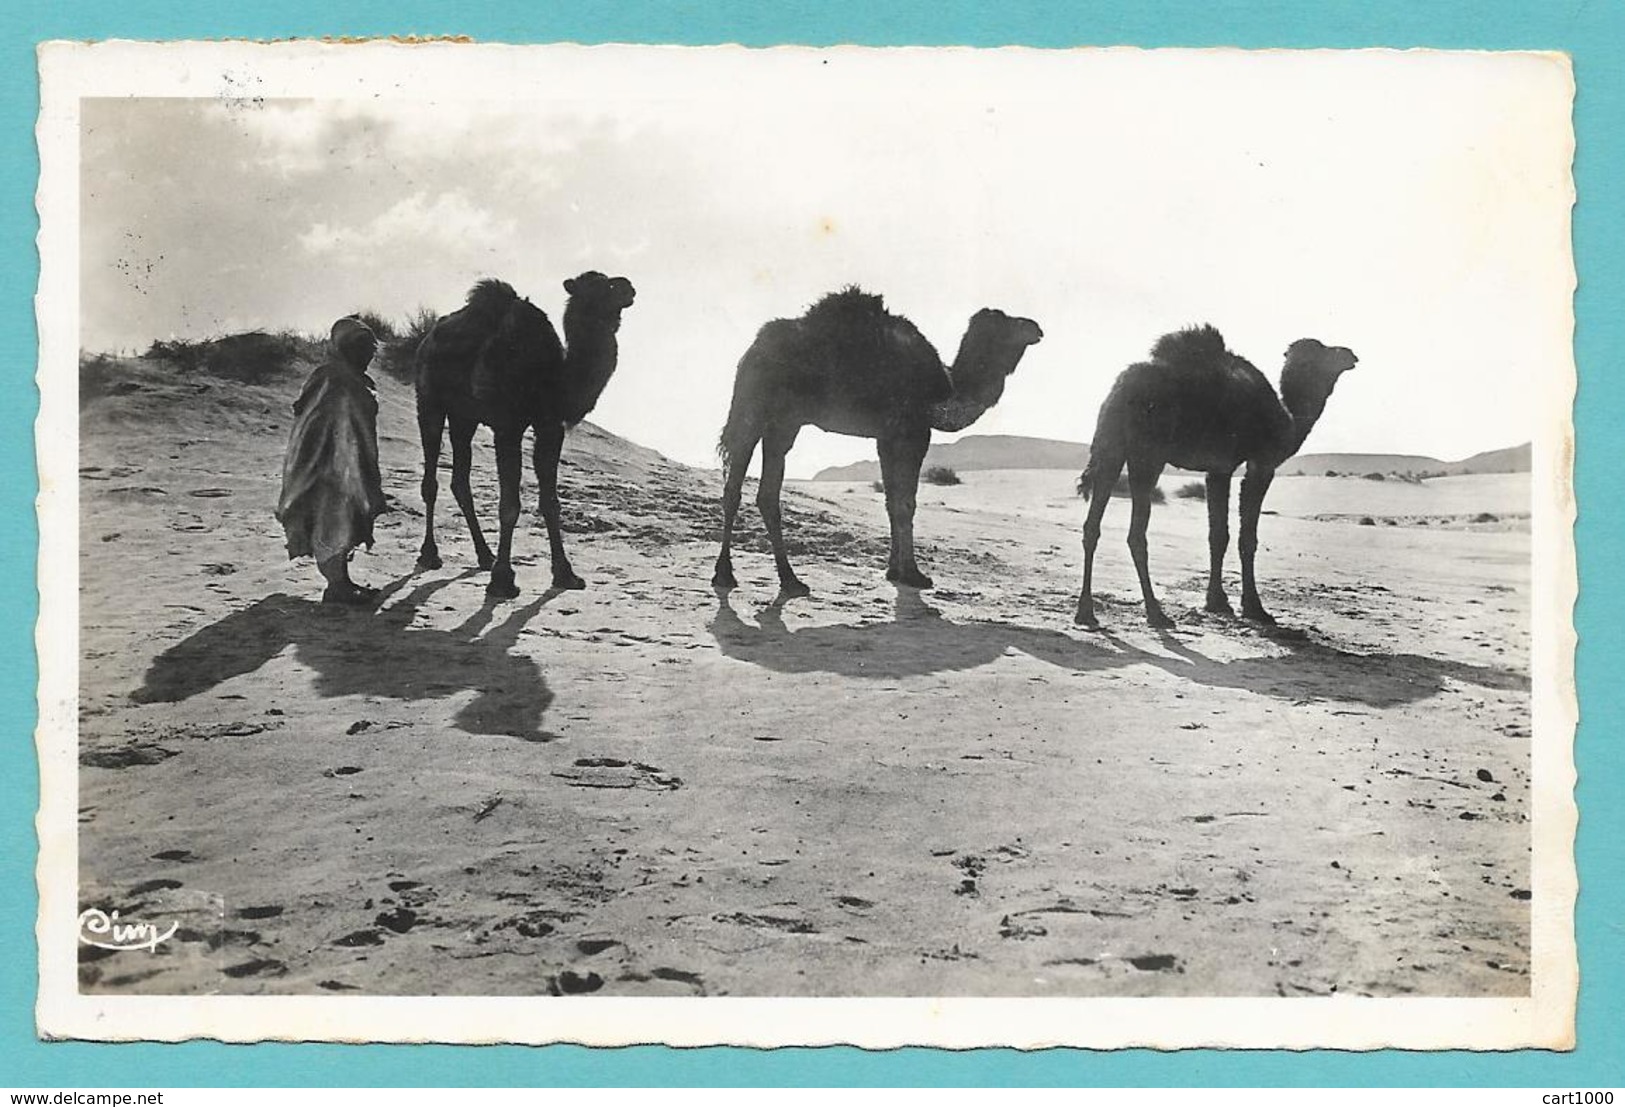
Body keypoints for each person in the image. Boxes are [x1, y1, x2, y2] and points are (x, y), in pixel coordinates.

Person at [276, 315, 388, 605]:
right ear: (343, 347)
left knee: (347, 522)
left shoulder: (354, 379)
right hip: (326, 467)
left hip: (350, 465)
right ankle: (337, 586)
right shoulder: (329, 378)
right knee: (331, 522)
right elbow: (311, 423)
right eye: (360, 348)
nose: (367, 355)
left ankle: (342, 582)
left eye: (369, 349)